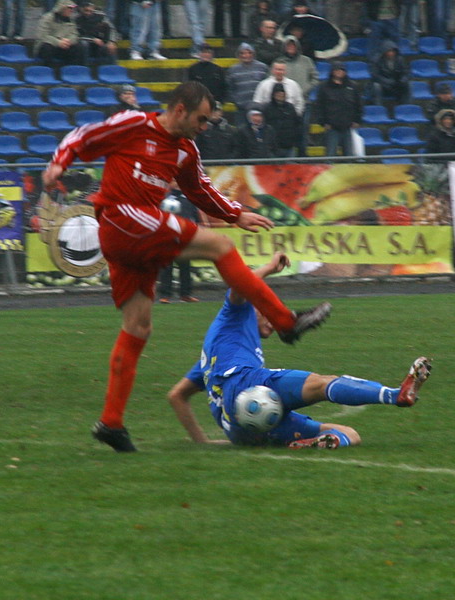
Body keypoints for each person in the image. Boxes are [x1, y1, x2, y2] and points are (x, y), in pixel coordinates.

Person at [43, 81, 332, 452]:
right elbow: (85, 135)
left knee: (139, 326)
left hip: (133, 239)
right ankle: (285, 321)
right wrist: (58, 164)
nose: (204, 126)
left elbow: (200, 190)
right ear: (179, 109)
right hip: (120, 217)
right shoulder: (134, 123)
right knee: (220, 247)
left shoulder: (185, 150)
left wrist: (235, 213)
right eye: (200, 118)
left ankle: (111, 423)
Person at [167, 252, 432, 449]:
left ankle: (311, 443)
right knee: (320, 384)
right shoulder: (235, 314)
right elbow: (240, 284)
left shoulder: (214, 356)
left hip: (240, 431)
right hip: (245, 385)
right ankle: (396, 395)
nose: (274, 317)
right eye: (269, 309)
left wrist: (204, 442)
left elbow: (176, 396)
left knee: (350, 434)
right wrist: (270, 267)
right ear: (254, 305)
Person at [157, 184, 199, 304]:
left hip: (184, 237)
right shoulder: (164, 198)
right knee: (166, 267)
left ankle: (185, 294)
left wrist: (196, 228)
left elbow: (194, 217)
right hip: (168, 237)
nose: (176, 183)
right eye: (173, 180)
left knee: (185, 267)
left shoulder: (189, 199)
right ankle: (165, 295)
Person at [315, 61, 363, 158]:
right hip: (332, 127)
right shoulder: (324, 87)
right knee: (330, 156)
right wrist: (323, 122)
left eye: (342, 70)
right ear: (332, 71)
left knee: (349, 156)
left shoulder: (353, 86)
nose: (339, 72)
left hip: (348, 127)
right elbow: (319, 106)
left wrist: (357, 120)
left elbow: (359, 104)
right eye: (337, 70)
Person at [35, 0, 87, 66]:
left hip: (63, 46)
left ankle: (73, 70)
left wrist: (69, 41)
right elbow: (42, 36)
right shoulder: (47, 18)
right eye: (69, 8)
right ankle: (48, 70)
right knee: (47, 47)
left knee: (80, 46)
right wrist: (58, 42)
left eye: (72, 8)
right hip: (49, 46)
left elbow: (74, 34)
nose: (72, 10)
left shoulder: (71, 20)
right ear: (62, 8)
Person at [226, 42, 269, 114]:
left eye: (249, 53)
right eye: (242, 53)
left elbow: (267, 86)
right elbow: (229, 88)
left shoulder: (263, 67)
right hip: (241, 109)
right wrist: (237, 101)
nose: (246, 55)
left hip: (260, 108)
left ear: (253, 54)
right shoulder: (232, 70)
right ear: (238, 55)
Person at [263, 82, 303, 157]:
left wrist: (294, 139)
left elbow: (297, 124)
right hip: (274, 147)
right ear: (273, 94)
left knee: (291, 167)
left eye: (282, 93)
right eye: (278, 93)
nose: (280, 95)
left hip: (289, 146)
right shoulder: (267, 108)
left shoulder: (290, 107)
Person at [369, 39, 410, 107]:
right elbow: (375, 75)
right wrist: (387, 81)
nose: (391, 53)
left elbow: (406, 72)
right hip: (383, 86)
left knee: (408, 85)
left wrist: (403, 79)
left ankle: (406, 107)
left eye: (393, 51)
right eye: (389, 51)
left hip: (396, 86)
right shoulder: (376, 60)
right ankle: (378, 107)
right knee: (376, 86)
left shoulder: (400, 60)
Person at [76, 1, 117, 65]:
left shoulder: (101, 16)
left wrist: (111, 41)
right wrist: (92, 40)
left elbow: (112, 28)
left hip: (99, 44)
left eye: (90, 10)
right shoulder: (76, 18)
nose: (88, 13)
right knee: (84, 44)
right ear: (81, 9)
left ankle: (114, 71)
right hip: (85, 45)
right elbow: (76, 36)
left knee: (110, 47)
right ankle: (85, 70)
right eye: (86, 10)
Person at [364, 0, 401, 65]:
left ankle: (395, 65)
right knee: (374, 44)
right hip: (376, 18)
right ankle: (373, 65)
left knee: (394, 45)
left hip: (393, 17)